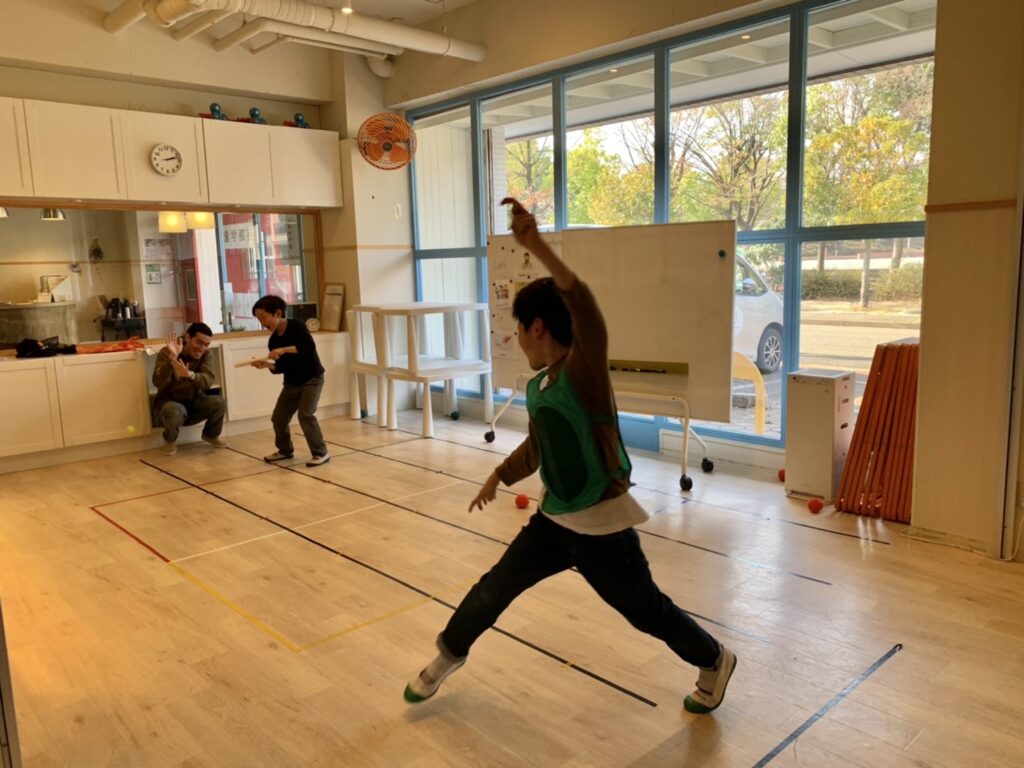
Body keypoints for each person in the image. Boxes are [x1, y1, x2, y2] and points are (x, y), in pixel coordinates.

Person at [404, 198, 736, 715]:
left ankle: (714, 659)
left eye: (518, 328)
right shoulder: (540, 386)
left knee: (645, 611)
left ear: (537, 326)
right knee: (495, 588)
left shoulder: (585, 369)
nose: (516, 338)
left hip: (603, 530)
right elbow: (538, 448)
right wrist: (498, 474)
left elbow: (581, 302)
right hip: (554, 522)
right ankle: (446, 656)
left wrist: (535, 244)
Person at [251, 295, 330, 468]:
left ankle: (320, 452)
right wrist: (266, 365)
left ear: (278, 313)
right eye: (259, 319)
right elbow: (281, 367)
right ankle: (285, 450)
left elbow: (308, 348)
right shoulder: (273, 340)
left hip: (312, 379)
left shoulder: (297, 326)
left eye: (263, 317)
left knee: (305, 415)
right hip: (292, 383)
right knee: (278, 418)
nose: (262, 323)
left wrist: (283, 350)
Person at [152, 322, 227, 456]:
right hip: (167, 406)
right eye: (199, 342)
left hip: (194, 403)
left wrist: (191, 375)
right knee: (175, 410)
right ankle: (170, 440)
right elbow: (157, 382)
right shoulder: (167, 351)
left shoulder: (206, 354)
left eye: (206, 344)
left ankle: (210, 435)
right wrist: (172, 359)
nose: (202, 348)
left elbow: (208, 381)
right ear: (187, 337)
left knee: (219, 402)